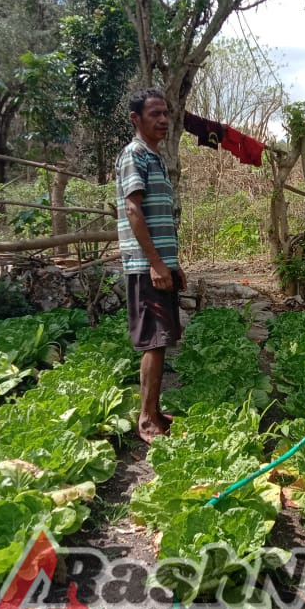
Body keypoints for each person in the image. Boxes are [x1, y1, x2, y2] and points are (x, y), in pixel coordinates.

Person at [115, 88, 187, 444]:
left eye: (166, 114)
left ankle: (155, 411)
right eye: (154, 114)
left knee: (161, 339)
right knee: (154, 342)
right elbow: (133, 211)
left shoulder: (155, 158)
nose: (162, 120)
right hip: (146, 266)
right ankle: (146, 419)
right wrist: (156, 264)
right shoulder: (134, 155)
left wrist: (172, 265)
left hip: (159, 265)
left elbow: (158, 219)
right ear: (136, 119)